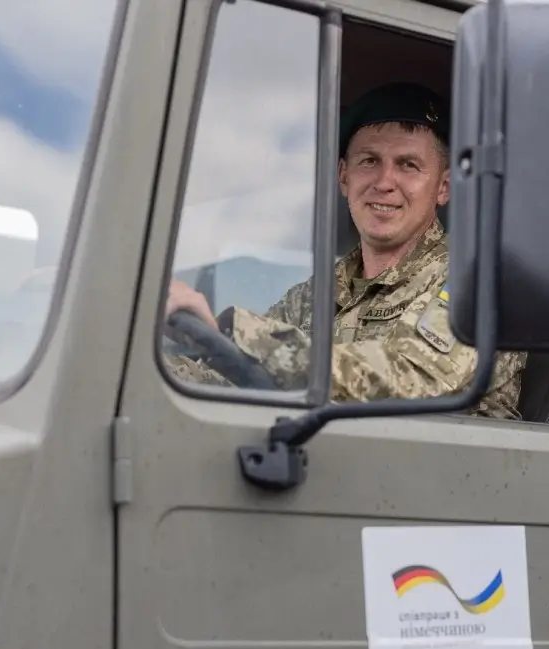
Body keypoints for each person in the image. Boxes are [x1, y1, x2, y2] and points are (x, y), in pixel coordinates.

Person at [162, 81, 526, 418]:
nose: (384, 182)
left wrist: (235, 331)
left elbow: (410, 381)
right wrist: (158, 362)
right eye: (369, 161)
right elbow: (225, 379)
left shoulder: (477, 283)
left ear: (444, 187)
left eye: (408, 165)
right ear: (343, 176)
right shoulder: (314, 296)